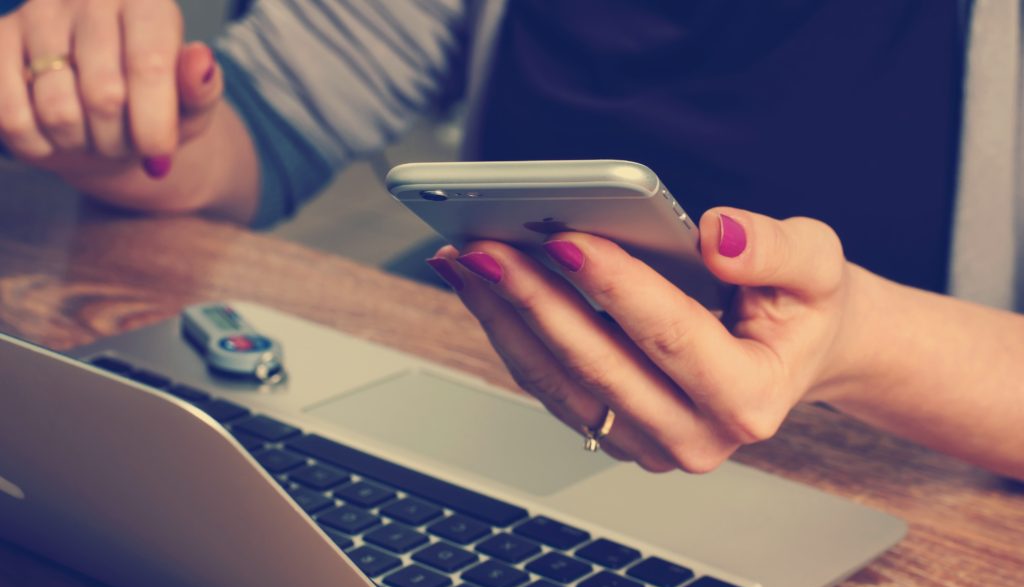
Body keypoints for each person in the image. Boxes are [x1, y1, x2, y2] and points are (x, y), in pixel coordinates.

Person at [0, 0, 1021, 479]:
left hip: (905, 504)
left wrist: (854, 340)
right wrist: (121, 115)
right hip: (491, 438)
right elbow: (264, 127)